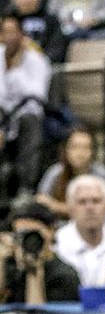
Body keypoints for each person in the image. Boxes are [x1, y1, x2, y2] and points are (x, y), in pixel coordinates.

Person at [0, 12, 51, 198]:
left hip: (27, 113)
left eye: (13, 32)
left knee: (29, 122)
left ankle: (26, 188)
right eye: (5, 32)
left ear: (22, 34)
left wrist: (15, 68)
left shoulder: (37, 60)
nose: (9, 37)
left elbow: (37, 95)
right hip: (2, 114)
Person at [0, 202, 81, 304]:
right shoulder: (12, 270)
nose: (29, 241)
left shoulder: (65, 276)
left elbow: (37, 313)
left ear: (51, 230)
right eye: (21, 235)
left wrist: (33, 271)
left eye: (33, 234)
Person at [54, 174, 105, 287]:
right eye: (82, 202)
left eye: (96, 201)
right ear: (70, 208)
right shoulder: (57, 243)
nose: (89, 208)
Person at [36, 128, 105, 220]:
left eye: (85, 148)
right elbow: (41, 200)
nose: (80, 153)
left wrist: (59, 207)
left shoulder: (100, 174)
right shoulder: (56, 172)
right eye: (75, 147)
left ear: (93, 151)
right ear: (66, 150)